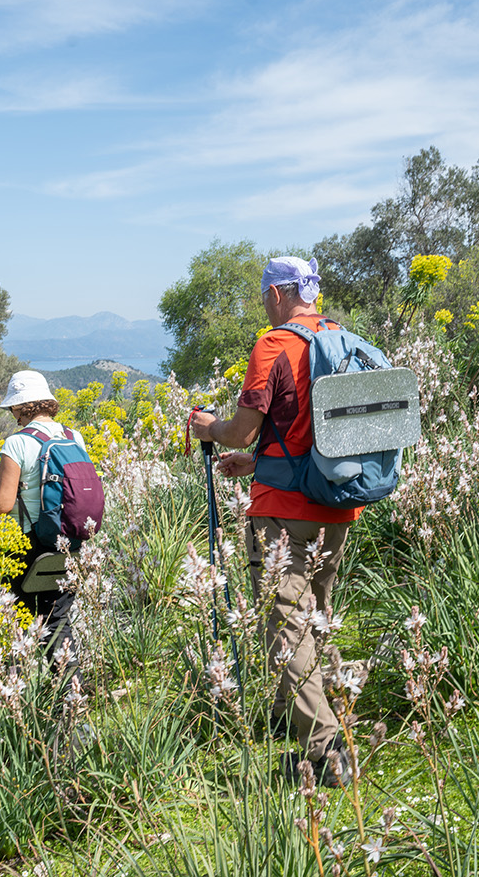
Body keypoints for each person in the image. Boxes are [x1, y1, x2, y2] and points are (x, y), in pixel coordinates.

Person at [189, 256, 360, 787]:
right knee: (318, 615)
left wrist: (209, 429)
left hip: (284, 512)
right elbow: (314, 436)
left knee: (288, 624)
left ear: (278, 294)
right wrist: (259, 460)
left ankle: (327, 756)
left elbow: (242, 429)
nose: (265, 304)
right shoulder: (342, 341)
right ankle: (339, 730)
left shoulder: (274, 344)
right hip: (338, 504)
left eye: (265, 294)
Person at [0, 371, 82, 667]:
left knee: (17, 621)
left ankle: (18, 695)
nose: (13, 416)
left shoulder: (17, 443)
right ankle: (70, 699)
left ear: (23, 406)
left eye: (13, 409)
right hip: (71, 542)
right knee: (58, 622)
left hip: (30, 546)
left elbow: (4, 504)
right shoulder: (74, 436)